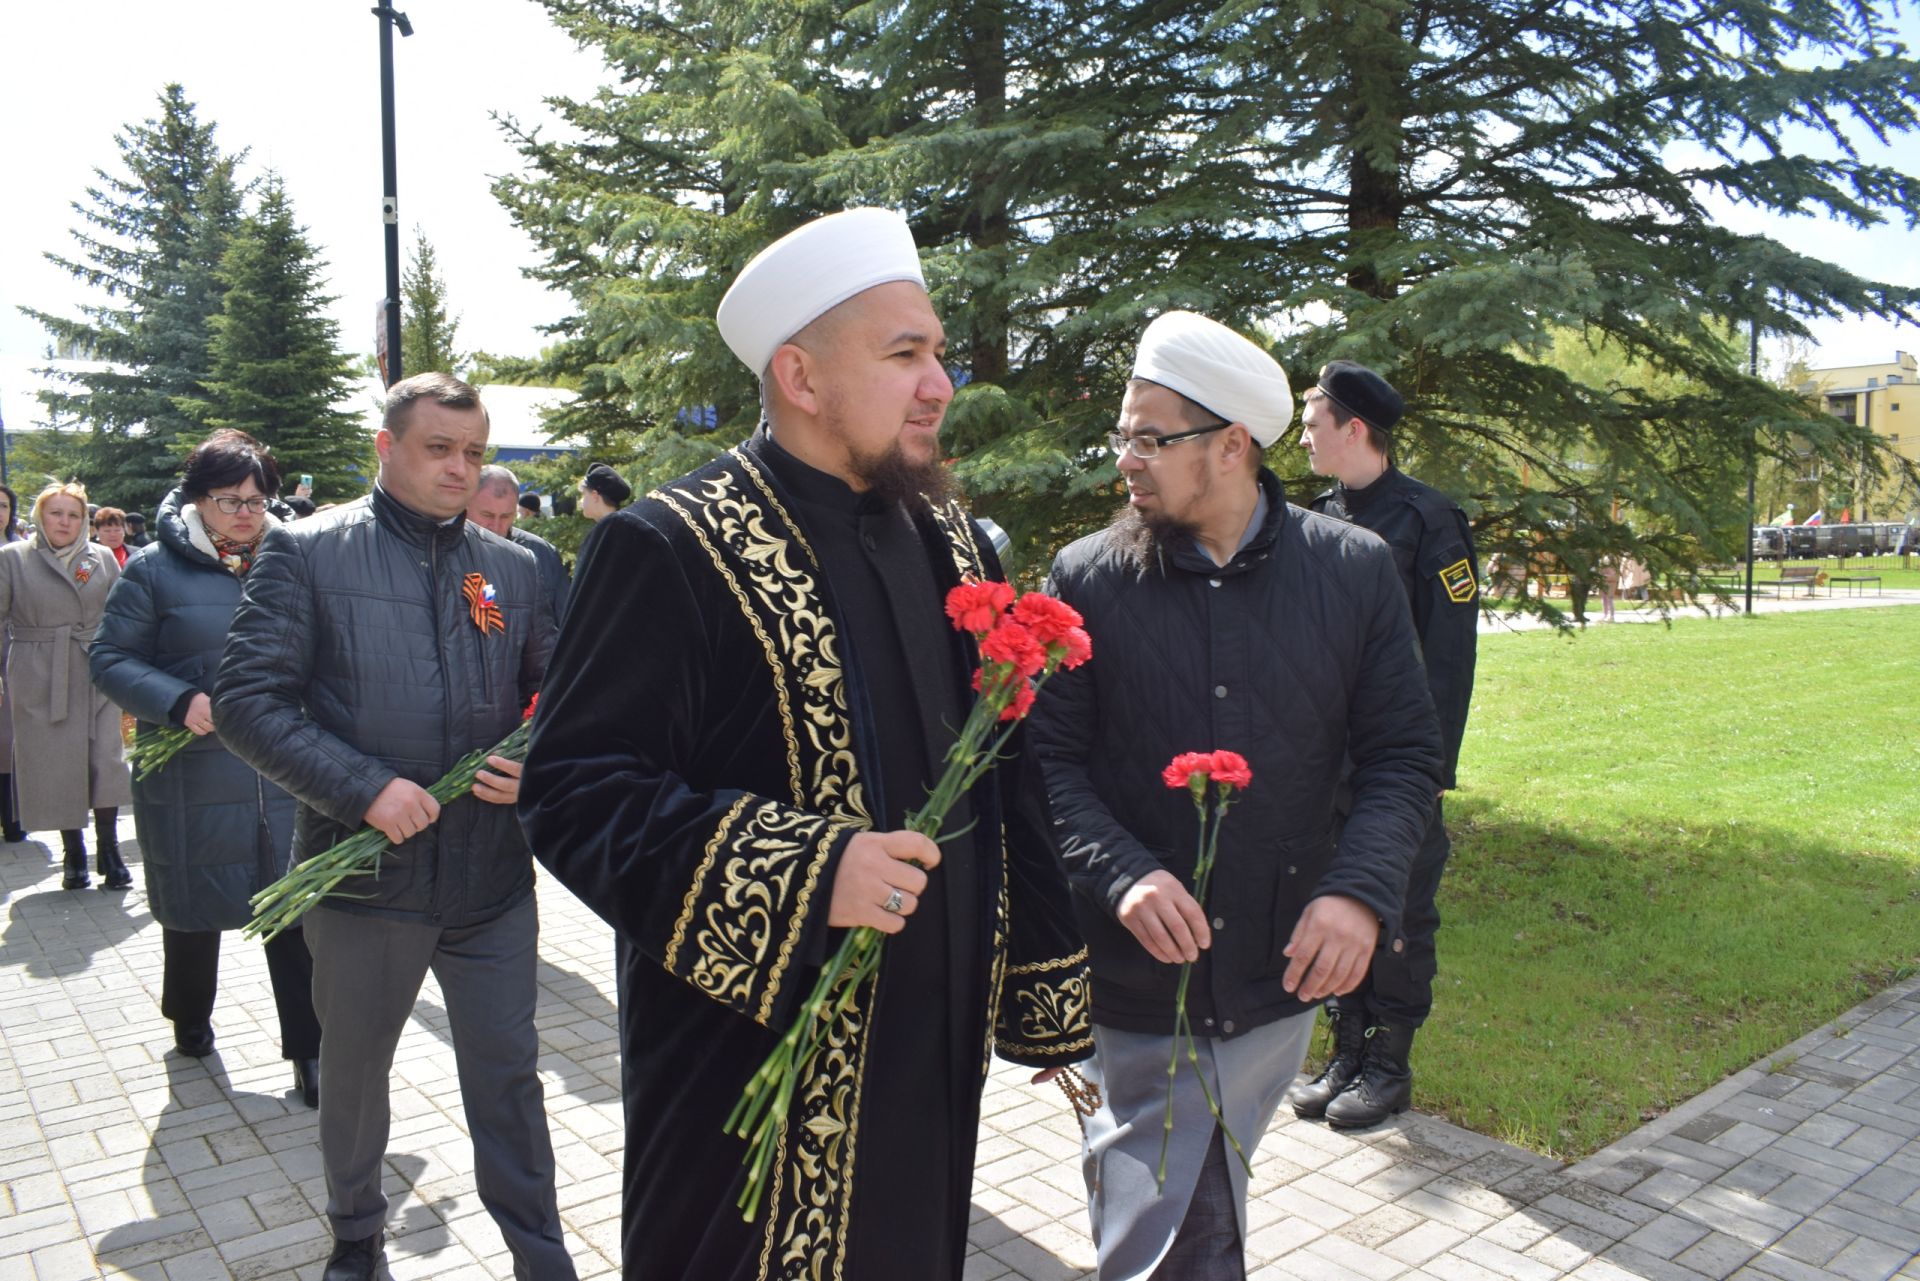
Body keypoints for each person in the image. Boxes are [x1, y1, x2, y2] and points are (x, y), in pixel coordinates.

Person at [519, 208, 1092, 1281]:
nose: (940, 384)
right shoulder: (672, 545)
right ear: (801, 374)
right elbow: (573, 790)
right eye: (904, 354)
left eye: (939, 354)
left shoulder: (952, 538)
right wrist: (809, 869)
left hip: (933, 1046)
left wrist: (1041, 981)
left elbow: (1006, 765)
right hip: (750, 1065)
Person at [1028, 312, 1443, 1280]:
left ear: (1231, 446)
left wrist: (1358, 892)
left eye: (1149, 437)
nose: (1125, 459)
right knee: (1178, 1227)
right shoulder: (1087, 579)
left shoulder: (1354, 574)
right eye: (1121, 435)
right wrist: (1122, 872)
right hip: (1133, 988)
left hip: (1274, 980)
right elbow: (1044, 767)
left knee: (1179, 1201)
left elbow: (1402, 756)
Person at [214, 373, 576, 1281]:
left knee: (508, 1076)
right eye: (439, 449)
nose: (461, 470)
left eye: (476, 453)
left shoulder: (518, 567)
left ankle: (541, 1253)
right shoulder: (305, 552)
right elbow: (247, 702)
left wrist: (538, 766)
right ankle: (356, 1236)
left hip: (491, 883)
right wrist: (365, 788)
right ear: (386, 447)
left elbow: (563, 702)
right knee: (356, 1073)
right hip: (364, 880)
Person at [90, 430, 322, 1087]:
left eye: (258, 499)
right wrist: (177, 699)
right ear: (197, 500)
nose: (247, 512)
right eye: (230, 500)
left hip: (282, 768)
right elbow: (108, 658)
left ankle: (311, 1052)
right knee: (193, 907)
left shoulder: (294, 558)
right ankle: (189, 1017)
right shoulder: (153, 570)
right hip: (193, 766)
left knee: (294, 908)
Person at [1292, 360, 1479, 1129]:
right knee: (1336, 896)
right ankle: (1344, 1050)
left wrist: (1430, 768)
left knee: (1399, 907)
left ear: (1353, 428)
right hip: (1323, 760)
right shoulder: (1310, 518)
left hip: (1395, 758)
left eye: (1312, 425)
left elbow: (1450, 655)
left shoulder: (1429, 520)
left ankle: (1387, 1061)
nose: (1302, 438)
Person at [0, 483, 136, 888]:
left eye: (73, 515)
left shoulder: (101, 558)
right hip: (39, 670)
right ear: (41, 516)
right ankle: (73, 851)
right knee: (56, 763)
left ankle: (109, 848)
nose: (64, 521)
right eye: (56, 513)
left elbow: (121, 613)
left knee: (106, 760)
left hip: (95, 667)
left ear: (84, 521)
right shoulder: (13, 558)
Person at [468, 464, 569, 630]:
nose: (495, 526)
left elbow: (563, 624)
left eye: (506, 516)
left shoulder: (541, 554)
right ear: (466, 505)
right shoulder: (444, 549)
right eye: (487, 515)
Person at [0, 483, 25, 844]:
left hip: (14, 653)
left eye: (3, 505)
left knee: (9, 742)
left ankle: (13, 817)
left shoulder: (20, 554)